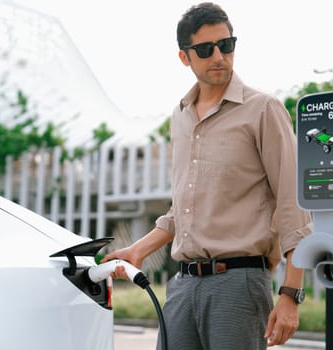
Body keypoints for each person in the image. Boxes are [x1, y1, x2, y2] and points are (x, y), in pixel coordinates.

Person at [101, 2, 312, 349]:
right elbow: (182, 208)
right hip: (183, 284)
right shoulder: (181, 116)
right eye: (205, 49)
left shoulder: (262, 109)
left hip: (238, 284)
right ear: (185, 57)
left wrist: (291, 293)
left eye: (226, 45)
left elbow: (292, 203)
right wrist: (140, 249)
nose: (219, 56)